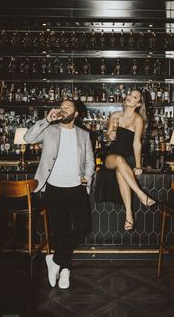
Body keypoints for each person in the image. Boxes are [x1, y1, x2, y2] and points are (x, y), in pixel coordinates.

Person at [24, 99, 95, 289]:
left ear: (76, 113)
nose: (63, 109)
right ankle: (65, 270)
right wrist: (47, 119)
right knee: (60, 232)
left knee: (84, 226)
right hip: (54, 187)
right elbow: (28, 138)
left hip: (76, 187)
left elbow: (90, 162)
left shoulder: (84, 135)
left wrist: (86, 178)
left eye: (68, 107)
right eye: (61, 107)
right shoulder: (49, 130)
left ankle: (54, 259)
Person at [104, 89, 155, 231]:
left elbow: (136, 143)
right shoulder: (115, 116)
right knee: (119, 160)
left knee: (121, 171)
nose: (130, 97)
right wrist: (110, 135)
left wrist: (138, 165)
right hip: (111, 155)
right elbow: (107, 138)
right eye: (129, 95)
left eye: (134, 97)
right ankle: (141, 194)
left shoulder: (138, 119)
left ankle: (129, 215)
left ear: (138, 104)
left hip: (128, 156)